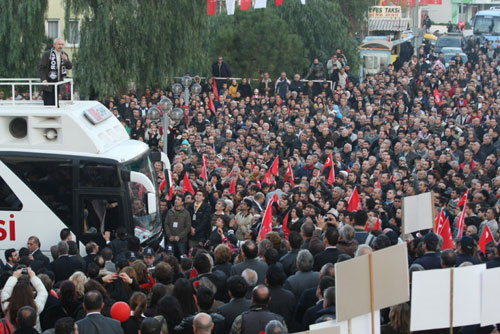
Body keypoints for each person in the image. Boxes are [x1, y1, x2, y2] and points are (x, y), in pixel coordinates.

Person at [1, 268, 48, 332]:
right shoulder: (36, 307)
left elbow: (5, 292)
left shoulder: (8, 307)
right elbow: (43, 292)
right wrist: (33, 277)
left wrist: (14, 277)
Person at [38, 38, 72, 106]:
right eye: (59, 44)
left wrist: (66, 60)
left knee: (56, 104)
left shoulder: (64, 54)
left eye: (62, 44)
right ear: (54, 45)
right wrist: (44, 79)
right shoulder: (47, 54)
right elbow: (41, 68)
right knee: (49, 105)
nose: (61, 46)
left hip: (58, 83)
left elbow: (69, 67)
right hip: (48, 84)